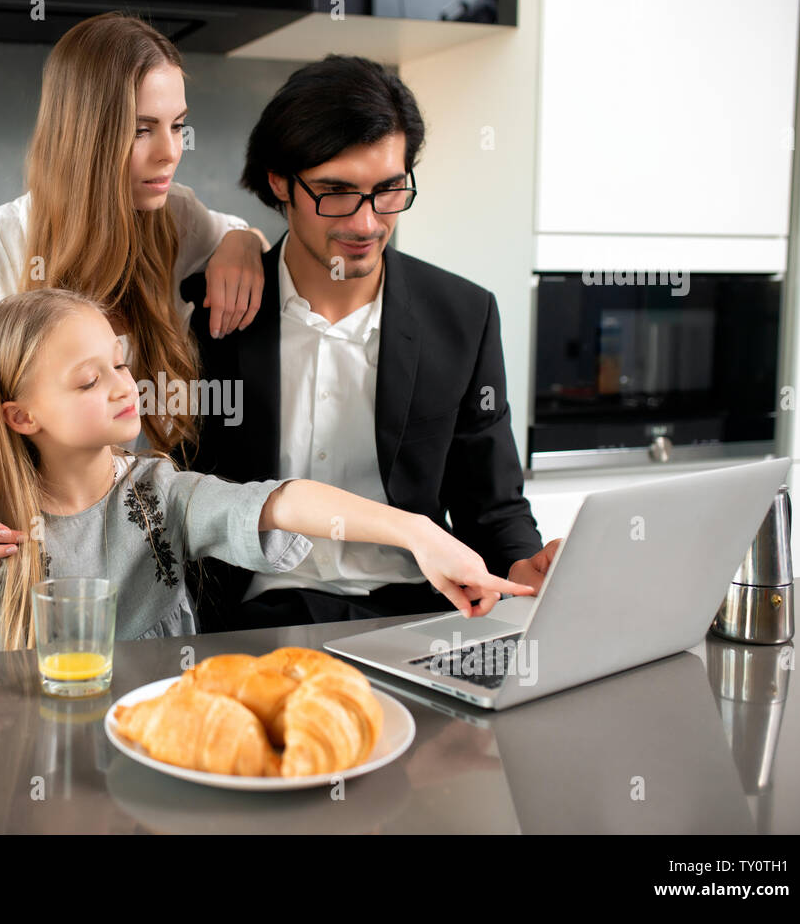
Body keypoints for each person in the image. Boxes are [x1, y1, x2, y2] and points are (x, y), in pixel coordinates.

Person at [0, 13, 273, 658]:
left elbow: (241, 232)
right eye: (142, 129)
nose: (169, 150)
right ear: (84, 132)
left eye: (177, 125)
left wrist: (241, 243)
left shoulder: (172, 216)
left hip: (102, 587)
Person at [176, 55, 563, 632]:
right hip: (254, 616)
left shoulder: (463, 316)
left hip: (421, 613)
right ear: (280, 181)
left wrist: (521, 563)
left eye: (388, 190)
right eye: (336, 191)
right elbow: (183, 496)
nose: (366, 224)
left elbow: (492, 505)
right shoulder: (215, 314)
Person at [0, 288, 534, 654]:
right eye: (88, 380)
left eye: (121, 365)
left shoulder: (161, 495)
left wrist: (418, 532)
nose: (124, 386)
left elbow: (280, 501)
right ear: (21, 416)